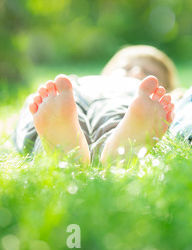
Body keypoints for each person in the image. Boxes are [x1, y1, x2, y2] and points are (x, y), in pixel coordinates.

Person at [12, 45, 177, 166]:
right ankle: (59, 144)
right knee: (44, 108)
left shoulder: (141, 97)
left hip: (126, 102)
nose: (136, 72)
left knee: (116, 114)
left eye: (150, 73)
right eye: (125, 67)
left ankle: (118, 149)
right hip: (73, 97)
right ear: (106, 72)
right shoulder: (77, 83)